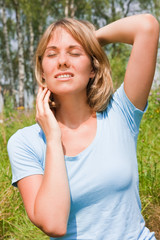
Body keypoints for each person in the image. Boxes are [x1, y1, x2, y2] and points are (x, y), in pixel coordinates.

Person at [7, 13, 159, 239]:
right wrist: (53, 139)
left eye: (74, 53)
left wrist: (88, 39)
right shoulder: (24, 143)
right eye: (52, 54)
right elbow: (54, 224)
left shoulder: (120, 113)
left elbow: (146, 26)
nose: (62, 61)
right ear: (42, 72)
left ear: (93, 69)